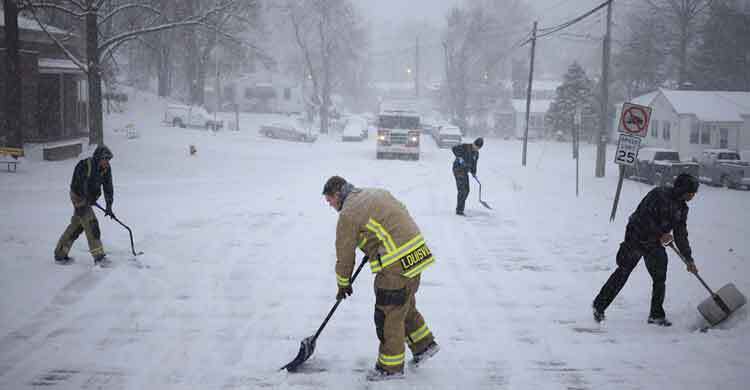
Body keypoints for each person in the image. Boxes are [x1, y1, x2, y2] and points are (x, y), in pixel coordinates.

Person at [322, 176, 439, 381]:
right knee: (404, 304)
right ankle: (424, 345)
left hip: (396, 262)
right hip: (418, 254)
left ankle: (390, 368)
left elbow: (345, 254)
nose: (329, 204)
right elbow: (396, 216)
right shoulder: (375, 193)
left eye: (329, 199)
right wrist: (376, 242)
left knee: (388, 314)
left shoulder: (348, 214)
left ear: (338, 194)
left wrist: (343, 283)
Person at [592, 173, 700, 326]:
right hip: (636, 236)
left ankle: (656, 315)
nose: (693, 196)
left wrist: (688, 258)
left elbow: (681, 233)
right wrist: (660, 234)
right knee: (624, 271)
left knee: (660, 277)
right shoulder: (658, 194)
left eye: (694, 193)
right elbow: (643, 217)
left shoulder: (682, 208)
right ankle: (599, 306)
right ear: (682, 189)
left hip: (654, 243)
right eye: (691, 192)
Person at [54, 145, 115, 266]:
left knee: (78, 226)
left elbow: (108, 187)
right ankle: (99, 257)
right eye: (105, 159)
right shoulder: (85, 165)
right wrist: (87, 197)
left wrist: (109, 206)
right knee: (91, 223)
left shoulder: (106, 169)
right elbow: (79, 184)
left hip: (89, 198)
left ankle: (60, 253)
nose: (107, 162)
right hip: (78, 196)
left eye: (109, 160)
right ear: (98, 158)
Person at [451, 137, 483, 215]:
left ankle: (460, 206)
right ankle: (459, 210)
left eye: (478, 148)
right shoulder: (465, 147)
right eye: (476, 146)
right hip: (458, 169)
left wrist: (474, 172)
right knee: (462, 190)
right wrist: (459, 158)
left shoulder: (476, 153)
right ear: (474, 143)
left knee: (467, 190)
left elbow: (474, 164)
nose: (476, 149)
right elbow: (454, 149)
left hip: (464, 171)